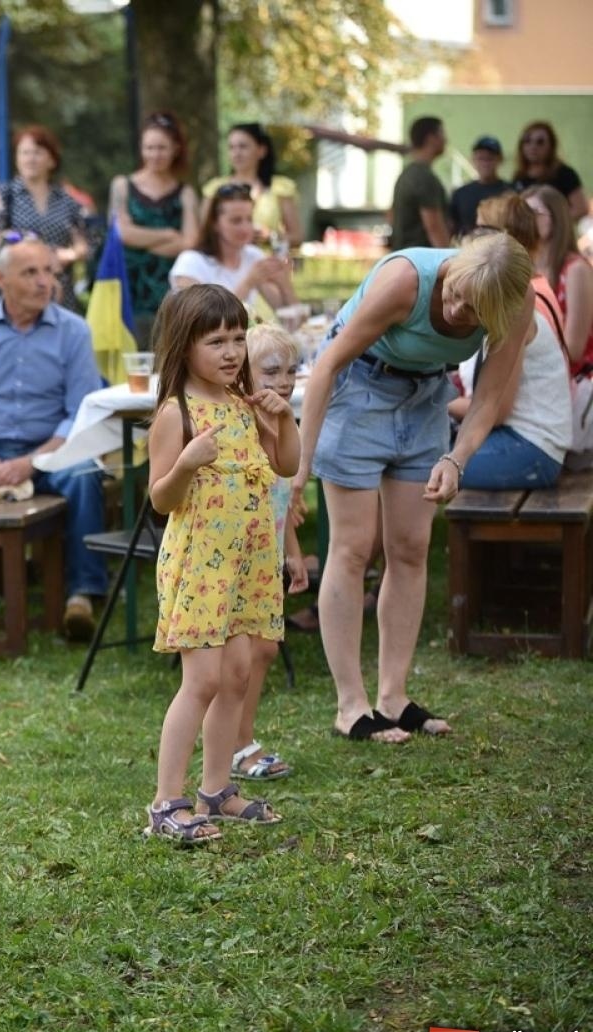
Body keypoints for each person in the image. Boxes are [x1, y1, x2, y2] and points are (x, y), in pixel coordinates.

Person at [295, 232, 535, 744]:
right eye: (455, 293)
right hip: (357, 387)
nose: (455, 309)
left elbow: (488, 399)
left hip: (426, 396)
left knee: (410, 547)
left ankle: (394, 698)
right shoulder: (405, 280)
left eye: (472, 310)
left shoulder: (516, 303)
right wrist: (299, 467)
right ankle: (351, 706)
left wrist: (455, 458)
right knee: (353, 547)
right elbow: (328, 365)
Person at [142, 285, 293, 843]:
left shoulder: (243, 403)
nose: (232, 353)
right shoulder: (175, 413)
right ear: (185, 346)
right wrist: (185, 463)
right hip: (202, 564)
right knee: (202, 679)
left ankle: (217, 790)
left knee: (237, 674)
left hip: (247, 561)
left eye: (238, 339)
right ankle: (165, 804)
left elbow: (286, 465)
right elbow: (161, 499)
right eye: (216, 342)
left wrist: (286, 420)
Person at [0, 236, 109, 639]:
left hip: (53, 452)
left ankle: (82, 594)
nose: (44, 282)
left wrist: (32, 461)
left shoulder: (74, 331)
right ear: (0, 279)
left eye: (49, 271)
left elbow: (79, 415)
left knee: (85, 476)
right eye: (30, 272)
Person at [446, 201, 572, 489]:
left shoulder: (518, 306)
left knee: (417, 465)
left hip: (531, 446)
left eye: (482, 230)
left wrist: (439, 402)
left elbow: (498, 409)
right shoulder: (495, 297)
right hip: (517, 439)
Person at [231, 324, 309, 784]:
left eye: (292, 372)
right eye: (272, 371)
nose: (284, 382)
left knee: (264, 650)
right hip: (236, 561)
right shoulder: (244, 423)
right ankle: (235, 744)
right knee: (243, 655)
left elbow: (281, 501)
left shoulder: (281, 422)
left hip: (267, 557)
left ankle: (240, 738)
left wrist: (292, 552)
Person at [110, 111, 200, 348]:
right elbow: (122, 233)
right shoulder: (122, 186)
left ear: (175, 149)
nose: (154, 154)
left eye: (161, 148)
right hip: (129, 290)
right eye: (149, 148)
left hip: (170, 292)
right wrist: (168, 235)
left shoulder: (185, 193)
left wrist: (141, 242)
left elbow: (190, 242)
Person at [0, 125, 90, 309]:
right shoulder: (4, 195)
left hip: (60, 294)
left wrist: (67, 255)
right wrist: (32, 257)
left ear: (52, 160)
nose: (30, 158)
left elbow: (82, 244)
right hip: (17, 290)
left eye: (37, 152)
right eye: (24, 152)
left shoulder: (67, 200)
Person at [171, 183, 299, 313]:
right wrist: (248, 283)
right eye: (236, 221)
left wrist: (284, 282)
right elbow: (199, 320)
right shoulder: (190, 262)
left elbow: (288, 314)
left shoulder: (254, 256)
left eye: (249, 219)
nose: (245, 228)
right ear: (215, 223)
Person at [200, 122, 303, 250]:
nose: (236, 153)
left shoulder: (280, 187)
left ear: (261, 150)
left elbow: (297, 237)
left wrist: (271, 236)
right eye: (231, 147)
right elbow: (202, 233)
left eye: (243, 146)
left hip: (266, 259)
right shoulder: (214, 188)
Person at [525, 184, 593, 375]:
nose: (525, 220)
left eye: (534, 213)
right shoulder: (527, 268)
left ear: (556, 218)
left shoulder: (575, 269)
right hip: (540, 375)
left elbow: (574, 349)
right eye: (521, 213)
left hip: (572, 380)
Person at [389, 116, 450, 251]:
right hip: (422, 259)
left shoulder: (406, 174)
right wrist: (450, 259)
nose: (446, 140)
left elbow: (390, 216)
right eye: (442, 133)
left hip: (404, 255)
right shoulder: (424, 178)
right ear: (431, 138)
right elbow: (434, 228)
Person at [513, 121, 587, 221]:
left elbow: (581, 209)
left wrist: (552, 222)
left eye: (540, 142)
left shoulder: (564, 173)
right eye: (527, 141)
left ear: (551, 146)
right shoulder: (519, 176)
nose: (533, 146)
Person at [449, 135, 509, 238]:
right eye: (481, 158)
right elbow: (452, 227)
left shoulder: (510, 192)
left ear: (500, 159)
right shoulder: (460, 194)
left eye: (490, 158)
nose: (485, 163)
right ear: (473, 160)